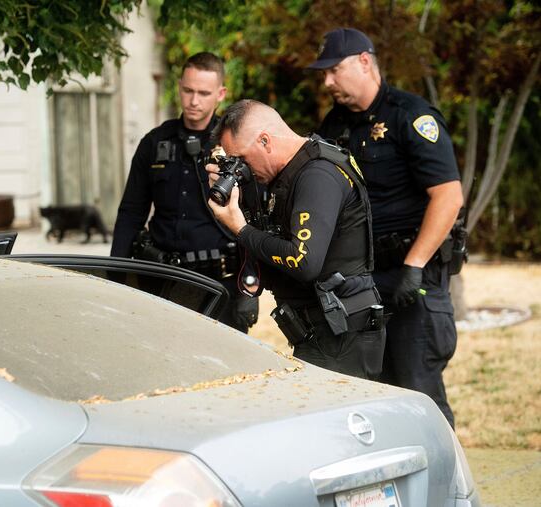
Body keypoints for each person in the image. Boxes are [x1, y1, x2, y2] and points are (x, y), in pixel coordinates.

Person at [308, 27, 464, 427]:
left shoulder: (411, 116)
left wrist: (414, 266)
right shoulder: (334, 125)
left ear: (364, 62)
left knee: (419, 394)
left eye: (333, 70)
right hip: (361, 282)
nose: (326, 81)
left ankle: (449, 489)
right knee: (374, 397)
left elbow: (448, 197)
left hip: (412, 278)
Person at [207, 99, 385, 380]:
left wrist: (241, 229)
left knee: (331, 422)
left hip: (340, 334)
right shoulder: (292, 173)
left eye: (242, 159)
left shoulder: (317, 175)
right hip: (324, 330)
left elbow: (303, 261)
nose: (243, 169)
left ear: (265, 141)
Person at [111, 52, 259, 332]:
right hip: (163, 278)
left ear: (221, 94)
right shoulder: (154, 143)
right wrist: (114, 277)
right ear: (178, 86)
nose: (193, 101)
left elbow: (252, 219)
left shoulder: (234, 145)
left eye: (203, 93)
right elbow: (131, 212)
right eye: (188, 90)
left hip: (220, 282)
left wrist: (249, 288)